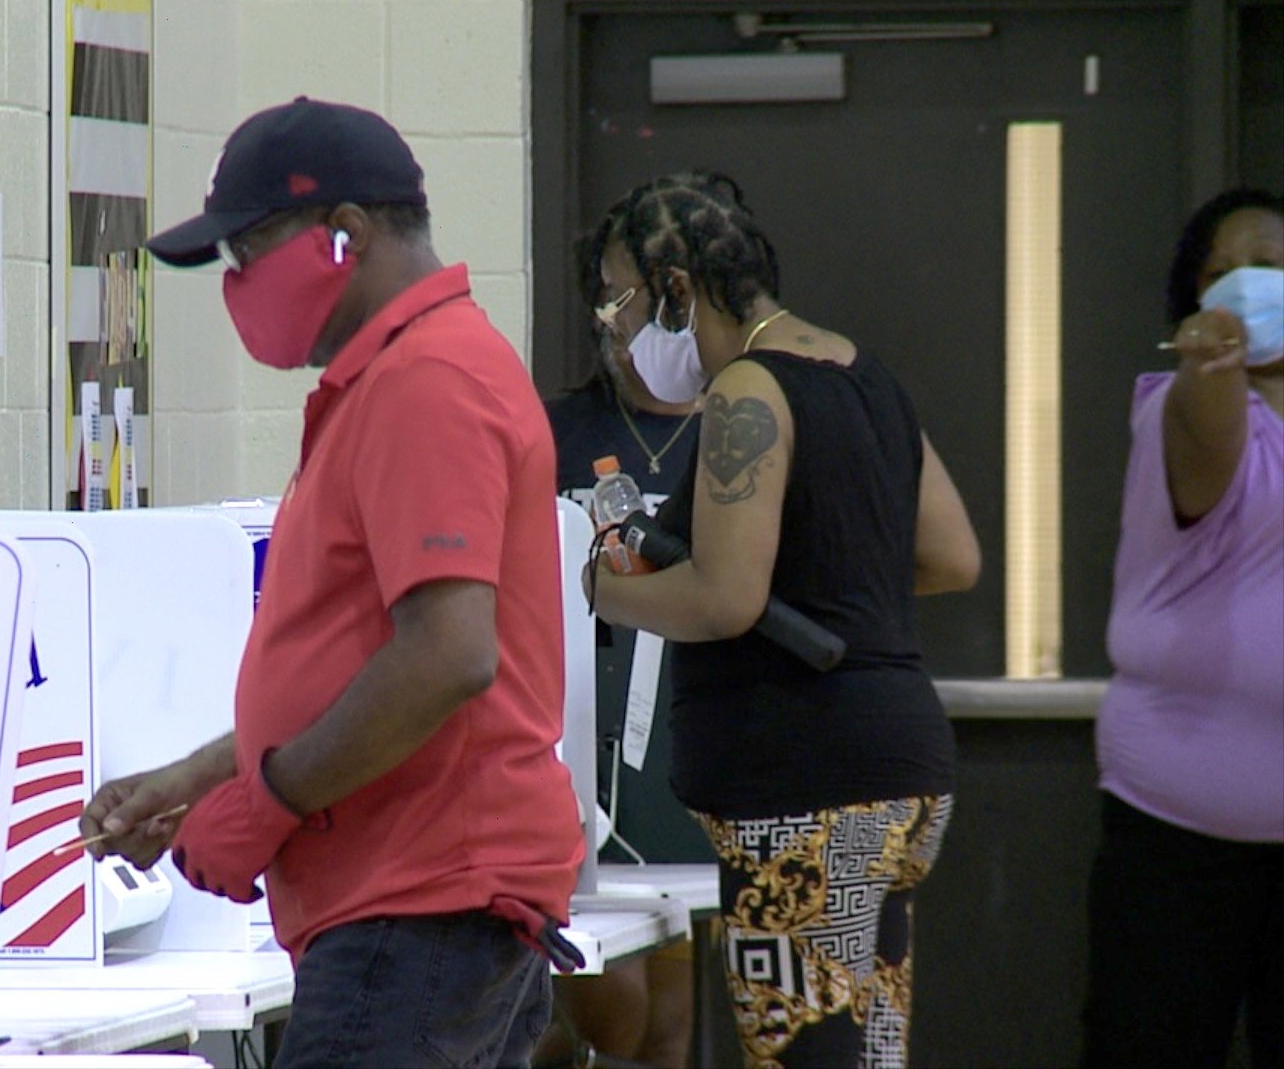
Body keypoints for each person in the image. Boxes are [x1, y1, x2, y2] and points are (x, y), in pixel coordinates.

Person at [77, 97, 585, 1067]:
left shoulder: (426, 381)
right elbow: (362, 659)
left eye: (251, 252)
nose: (238, 286)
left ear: (344, 235)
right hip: (423, 905)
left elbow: (446, 657)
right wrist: (199, 779)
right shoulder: (394, 377)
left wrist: (265, 805)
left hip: (420, 906)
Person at [585, 171, 981, 1067]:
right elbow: (953, 557)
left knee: (801, 1052)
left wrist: (590, 588)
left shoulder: (747, 390)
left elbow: (724, 598)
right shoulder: (864, 375)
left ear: (676, 287)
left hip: (805, 792)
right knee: (864, 1050)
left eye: (620, 298)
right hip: (898, 777)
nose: (613, 325)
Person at [1080, 188, 1284, 1069]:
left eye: (1271, 267)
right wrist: (1213, 366)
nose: (1248, 285)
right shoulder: (1176, 404)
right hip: (1177, 842)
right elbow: (1213, 442)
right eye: (1223, 273)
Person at [534, 223, 709, 1069]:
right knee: (587, 1010)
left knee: (662, 1023)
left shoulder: (749, 426)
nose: (609, 321)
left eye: (625, 299)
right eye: (598, 301)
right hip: (571, 739)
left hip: (681, 744)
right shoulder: (552, 428)